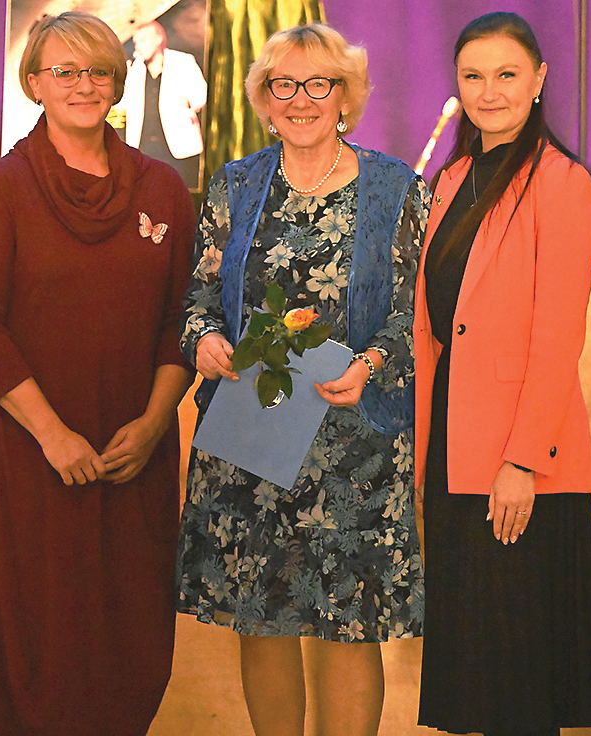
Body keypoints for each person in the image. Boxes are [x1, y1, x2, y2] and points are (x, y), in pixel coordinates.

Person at [0, 11, 196, 736]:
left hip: (131, 454)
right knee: (30, 639)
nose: (84, 85)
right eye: (65, 72)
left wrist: (155, 424)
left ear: (117, 82)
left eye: (98, 72)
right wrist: (53, 436)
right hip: (24, 454)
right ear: (34, 84)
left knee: (126, 637)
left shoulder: (163, 190)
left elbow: (183, 319)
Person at [176, 23, 426, 736]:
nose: (301, 99)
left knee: (351, 625)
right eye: (283, 84)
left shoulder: (396, 187)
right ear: (264, 98)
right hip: (252, 437)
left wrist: (370, 364)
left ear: (346, 95)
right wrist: (206, 340)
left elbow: (415, 313)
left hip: (356, 444)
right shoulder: (236, 184)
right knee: (262, 617)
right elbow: (198, 298)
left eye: (319, 83)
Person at [414, 12, 591, 736]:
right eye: (473, 76)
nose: (489, 91)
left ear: (539, 80)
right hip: (451, 448)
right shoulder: (451, 179)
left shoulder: (562, 182)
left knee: (521, 688)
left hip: (521, 465)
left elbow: (558, 340)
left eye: (506, 74)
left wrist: (522, 460)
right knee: (475, 679)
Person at [121, 19, 207, 188]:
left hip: (175, 147)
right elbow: (122, 104)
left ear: (158, 39)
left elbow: (200, 95)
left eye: (143, 40)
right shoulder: (134, 69)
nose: (138, 47)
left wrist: (188, 103)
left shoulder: (182, 61)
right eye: (136, 43)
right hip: (143, 148)